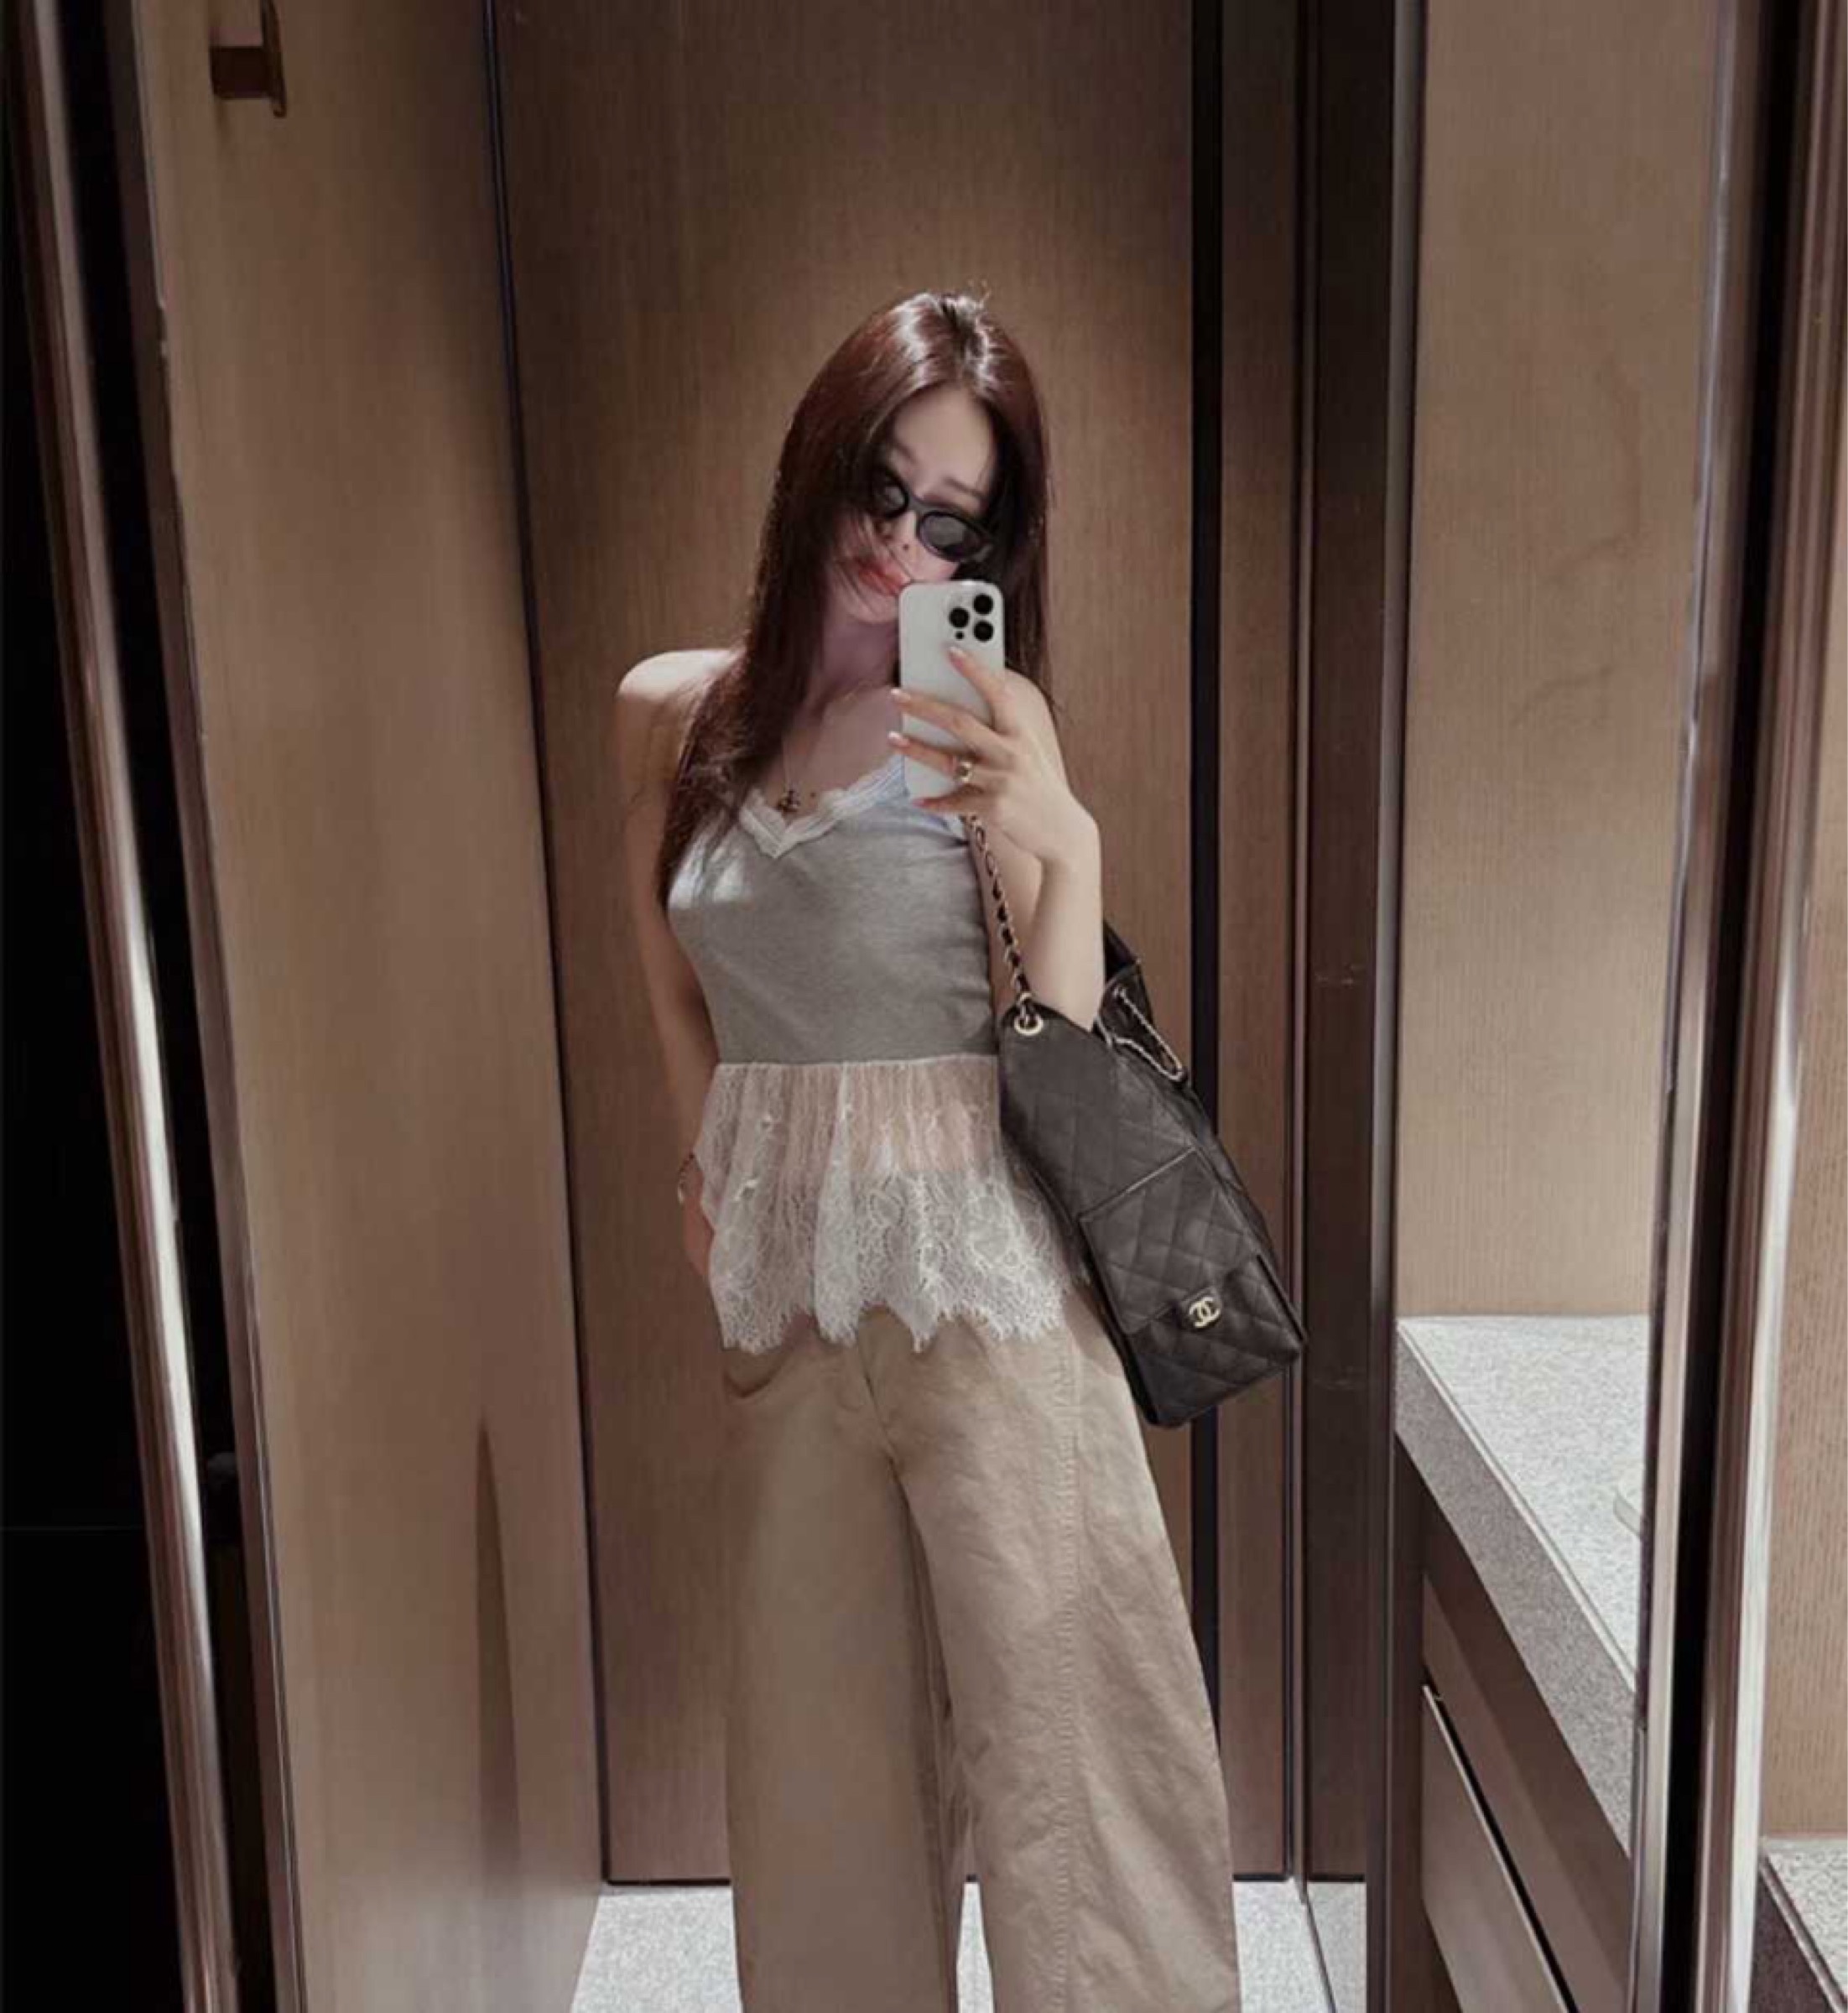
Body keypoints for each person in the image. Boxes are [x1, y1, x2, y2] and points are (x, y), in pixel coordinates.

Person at [615, 289, 1242, 2012]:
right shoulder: (674, 716)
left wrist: (1065, 845)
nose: (902, 544)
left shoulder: (986, 717)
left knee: (1078, 1785)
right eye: (879, 489)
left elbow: (1056, 1038)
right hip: (793, 1311)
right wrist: (701, 1170)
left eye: (952, 521)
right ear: (814, 466)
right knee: (819, 1790)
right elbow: (667, 969)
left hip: (996, 1300)